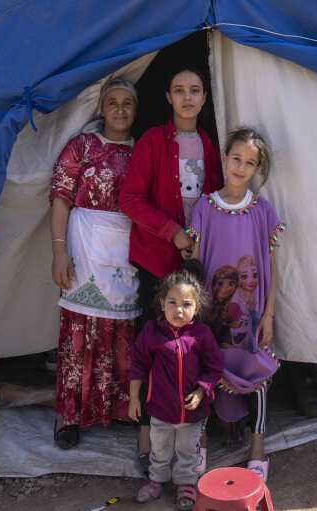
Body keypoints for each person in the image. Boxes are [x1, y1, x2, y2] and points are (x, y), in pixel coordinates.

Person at [120, 66, 223, 468]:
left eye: (194, 90)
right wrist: (173, 232)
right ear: (167, 97)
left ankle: (194, 433)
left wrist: (197, 237)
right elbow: (130, 199)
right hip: (158, 258)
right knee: (154, 347)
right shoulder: (151, 141)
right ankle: (147, 432)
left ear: (204, 97)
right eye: (178, 90)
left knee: (195, 346)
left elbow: (212, 196)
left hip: (194, 263)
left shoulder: (207, 144)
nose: (187, 97)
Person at [186, 127, 284, 482]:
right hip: (212, 317)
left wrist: (269, 313)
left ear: (257, 168)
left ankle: (258, 448)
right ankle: (201, 444)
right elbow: (195, 266)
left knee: (256, 371)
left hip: (252, 317)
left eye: (250, 162)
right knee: (205, 372)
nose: (241, 167)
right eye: (236, 158)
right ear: (225, 158)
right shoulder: (206, 207)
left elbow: (272, 268)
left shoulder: (262, 211)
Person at [49, 78, 141, 449]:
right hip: (84, 245)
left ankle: (119, 410)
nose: (119, 109)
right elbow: (59, 197)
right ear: (101, 108)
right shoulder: (82, 146)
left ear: (136, 110)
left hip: (125, 250)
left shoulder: (144, 150)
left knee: (123, 333)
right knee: (79, 331)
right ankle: (68, 415)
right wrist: (58, 250)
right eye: (112, 102)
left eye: (127, 103)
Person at [128, 265, 223, 510]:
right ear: (162, 303)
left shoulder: (202, 335)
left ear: (197, 307)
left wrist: (202, 390)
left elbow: (214, 368)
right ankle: (156, 481)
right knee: (159, 448)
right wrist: (134, 399)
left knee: (187, 451)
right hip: (160, 409)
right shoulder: (152, 333)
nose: (179, 310)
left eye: (186, 304)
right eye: (172, 302)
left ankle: (186, 485)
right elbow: (137, 364)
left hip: (192, 413)